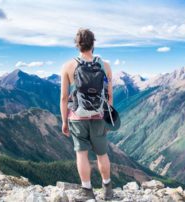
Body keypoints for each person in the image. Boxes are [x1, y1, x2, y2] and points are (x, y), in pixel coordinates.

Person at [60, 28, 114, 200]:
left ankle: (87, 191)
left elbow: (63, 97)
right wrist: (108, 117)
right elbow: (109, 95)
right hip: (99, 116)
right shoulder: (104, 66)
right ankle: (107, 189)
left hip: (77, 117)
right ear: (93, 43)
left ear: (77, 45)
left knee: (81, 154)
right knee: (102, 154)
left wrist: (64, 122)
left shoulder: (68, 66)